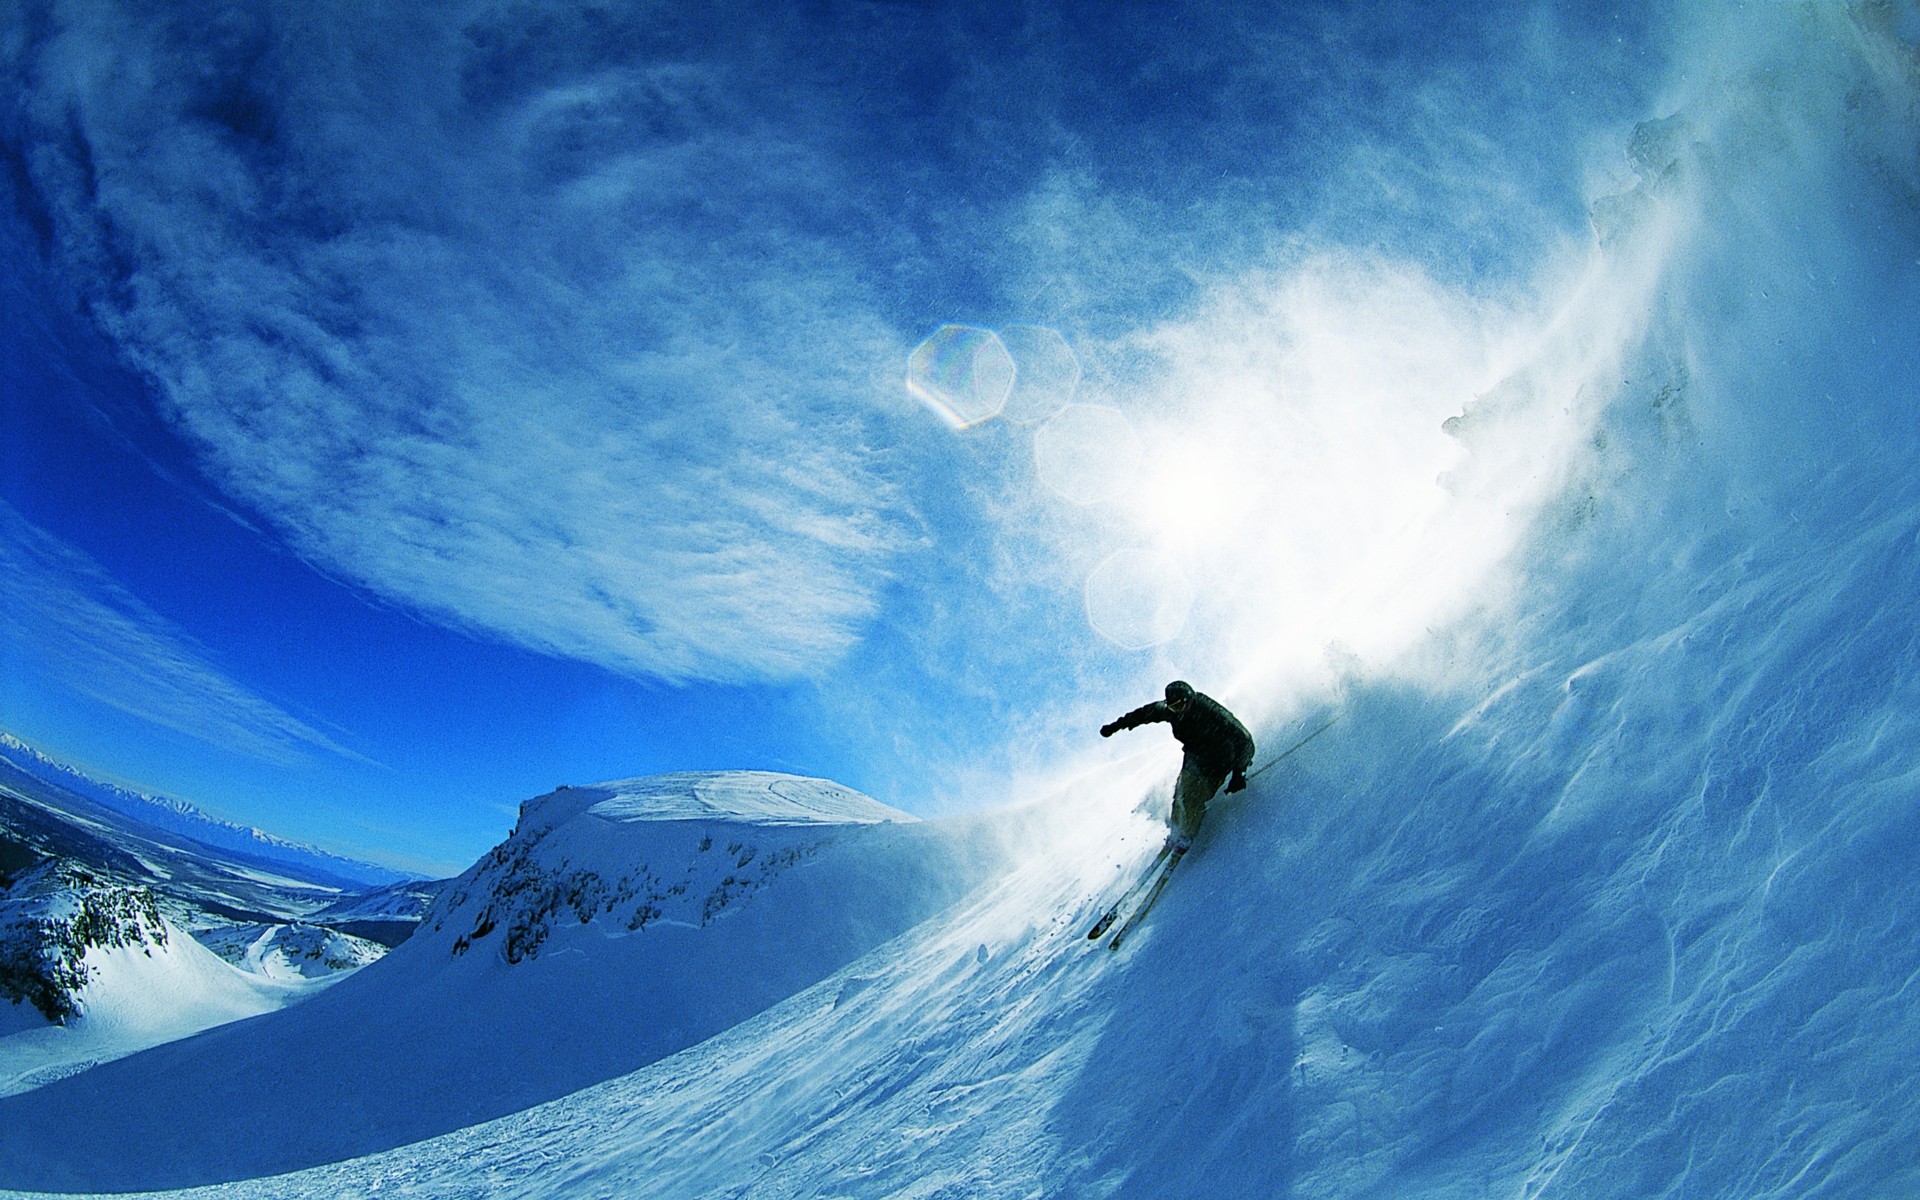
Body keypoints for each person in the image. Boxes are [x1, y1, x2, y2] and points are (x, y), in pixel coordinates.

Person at [1101, 680, 1255, 851]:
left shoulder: (1208, 709)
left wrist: (1239, 773)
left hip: (1219, 760)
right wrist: (1114, 726)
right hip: (1195, 758)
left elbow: (1245, 739)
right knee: (1179, 795)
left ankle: (1188, 834)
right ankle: (1176, 832)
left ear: (1189, 699)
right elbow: (1142, 715)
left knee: (1192, 797)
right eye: (1173, 707)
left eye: (1180, 705)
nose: (1178, 710)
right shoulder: (1170, 712)